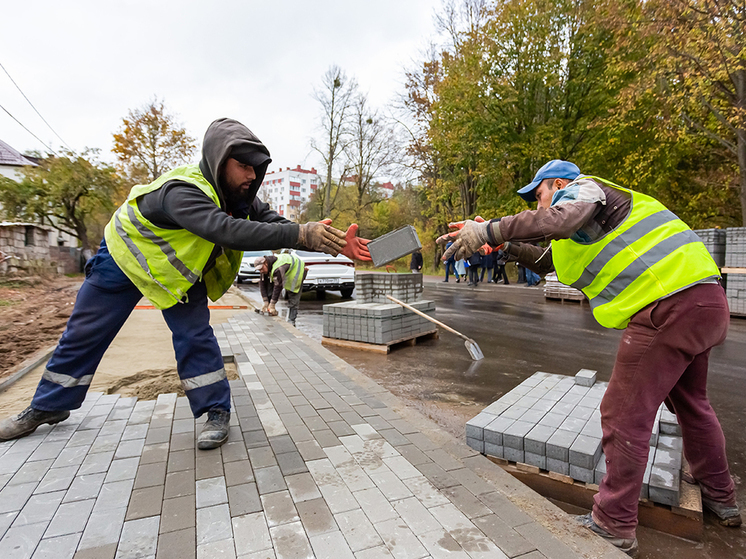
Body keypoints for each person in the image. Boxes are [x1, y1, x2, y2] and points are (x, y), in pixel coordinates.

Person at [0, 118, 371, 450]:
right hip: (123, 260)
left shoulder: (240, 197)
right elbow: (223, 229)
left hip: (172, 274)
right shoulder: (183, 190)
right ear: (218, 159)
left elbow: (270, 221)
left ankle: (215, 412)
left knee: (194, 336)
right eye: (243, 165)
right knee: (84, 333)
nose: (251, 176)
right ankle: (48, 407)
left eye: (256, 169)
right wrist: (300, 235)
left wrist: (330, 239)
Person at [440, 159, 740, 556]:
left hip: (668, 306)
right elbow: (548, 259)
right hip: (702, 302)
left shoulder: (585, 189)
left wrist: (491, 226)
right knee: (691, 402)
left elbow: (561, 219)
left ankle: (613, 523)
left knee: (622, 412)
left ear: (559, 183)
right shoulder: (585, 224)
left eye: (538, 194)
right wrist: (504, 244)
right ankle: (721, 496)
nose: (537, 203)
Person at [255, 253, 306, 326]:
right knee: (269, 286)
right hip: (285, 268)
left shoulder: (278, 269)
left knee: (293, 294)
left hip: (296, 268)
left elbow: (278, 287)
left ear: (266, 263)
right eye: (259, 270)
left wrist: (272, 304)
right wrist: (265, 301)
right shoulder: (265, 267)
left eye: (261, 269)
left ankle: (291, 320)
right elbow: (263, 284)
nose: (261, 271)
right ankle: (270, 310)